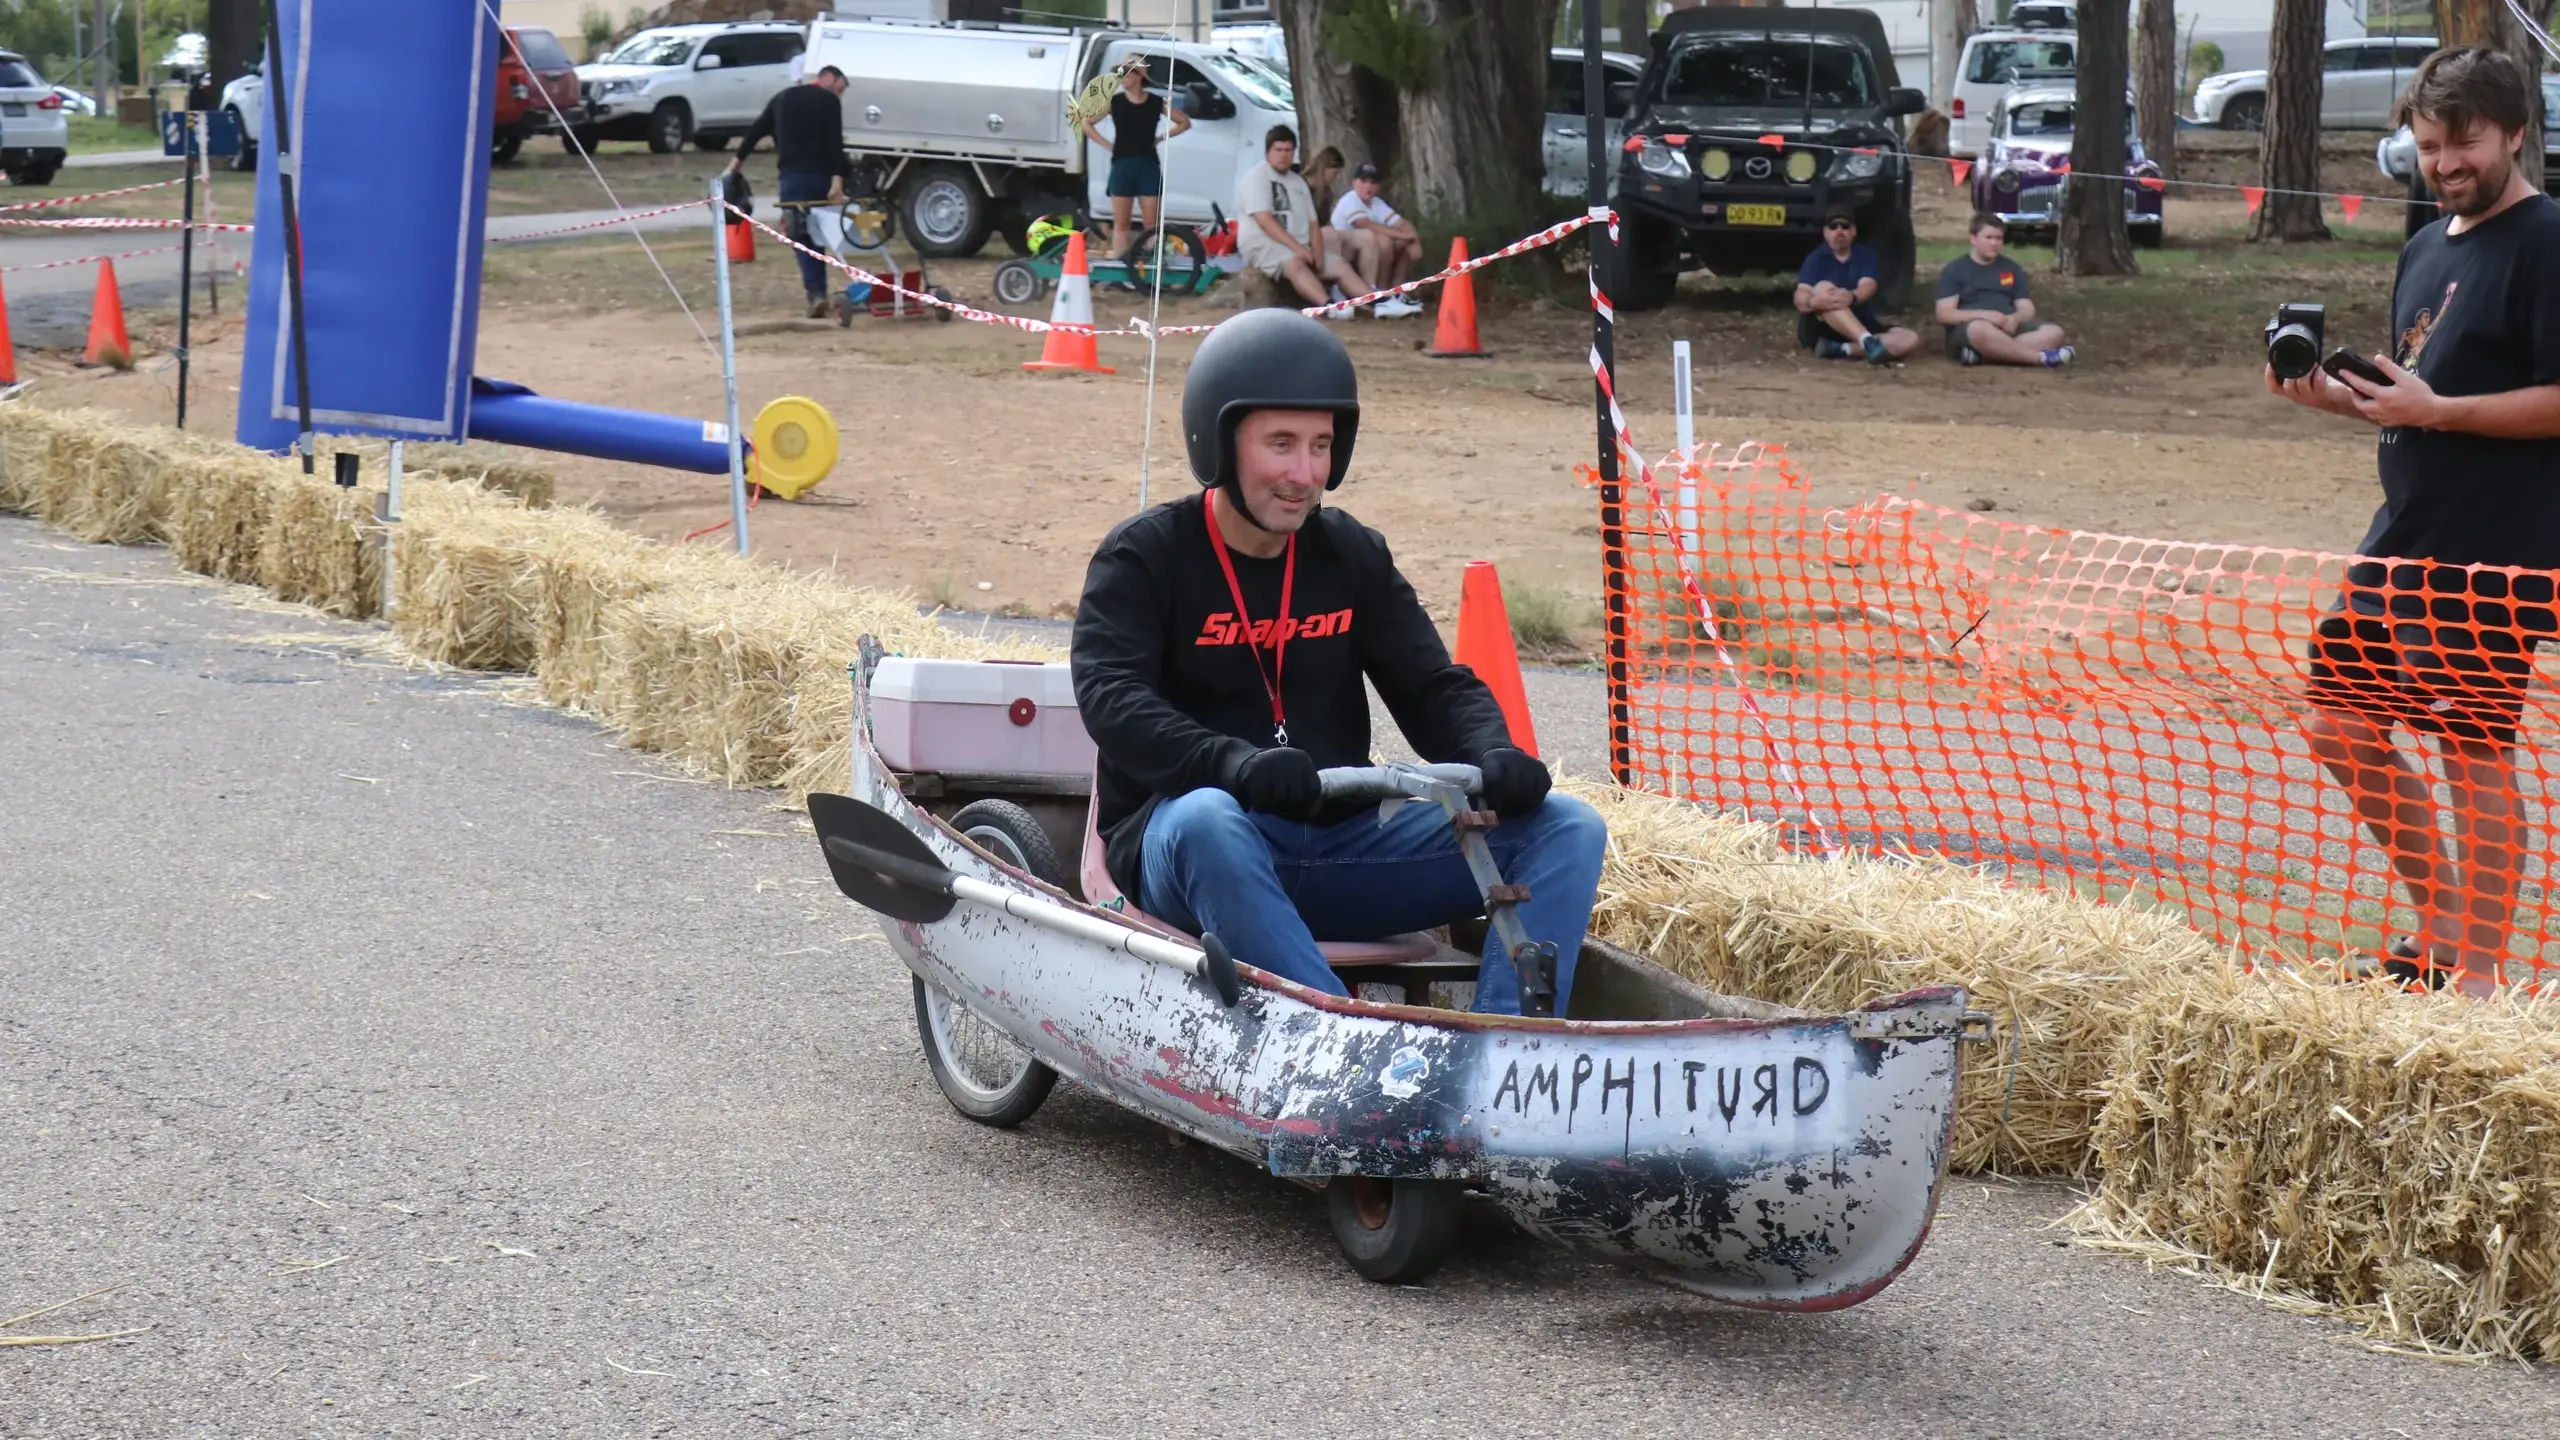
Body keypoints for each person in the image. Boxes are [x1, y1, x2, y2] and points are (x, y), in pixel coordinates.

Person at [1071, 309, 1609, 1014]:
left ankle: (1502, 1056)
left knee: (1571, 826)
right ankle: (1347, 1048)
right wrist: (1233, 763)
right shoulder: (1144, 556)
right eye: (1282, 444)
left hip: (1338, 844)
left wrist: (1493, 751)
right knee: (1209, 818)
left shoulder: (1350, 554)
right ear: (1221, 442)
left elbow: (1430, 685)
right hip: (1193, 847)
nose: (1304, 473)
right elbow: (1112, 700)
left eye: (1321, 446)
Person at [2269, 45, 2560, 998]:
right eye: (2431, 145)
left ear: (2516, 132)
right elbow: (2416, 393)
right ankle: (2438, 930)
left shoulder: (2549, 239)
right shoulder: (2426, 244)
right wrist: (2335, 400)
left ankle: (2475, 976)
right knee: (2338, 723)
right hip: (2403, 534)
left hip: (2495, 548)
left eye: (2466, 141)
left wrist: (2439, 414)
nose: (2447, 163)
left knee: (2472, 748)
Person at [731, 65, 854, 319]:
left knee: (801, 236)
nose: (841, 93)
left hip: (792, 179)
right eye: (841, 86)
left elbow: (755, 131)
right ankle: (824, 291)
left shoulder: (782, 98)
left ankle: (816, 292)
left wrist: (734, 166)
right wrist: (837, 181)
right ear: (828, 78)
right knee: (820, 234)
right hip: (821, 178)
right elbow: (835, 142)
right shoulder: (829, 102)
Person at [1234, 126, 1366, 319]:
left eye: (1288, 151)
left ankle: (1377, 302)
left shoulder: (1298, 182)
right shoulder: (1255, 178)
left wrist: (1318, 253)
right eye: (1278, 150)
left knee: (1340, 265)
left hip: (1298, 243)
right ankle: (1328, 307)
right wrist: (1299, 249)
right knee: (1294, 262)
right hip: (1262, 243)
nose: (1283, 155)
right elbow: (1265, 221)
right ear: (1267, 152)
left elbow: (1314, 223)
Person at [1077, 55, 1190, 272]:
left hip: (1147, 164)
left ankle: (1153, 265)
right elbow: (1087, 123)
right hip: (1122, 164)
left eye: (1126, 72)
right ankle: (1122, 266)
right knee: (1121, 222)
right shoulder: (1115, 102)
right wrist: (1107, 145)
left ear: (1139, 76)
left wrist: (1162, 136)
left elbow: (1184, 122)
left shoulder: (1157, 103)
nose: (1122, 78)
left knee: (1151, 222)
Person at [1933, 214, 2075, 368]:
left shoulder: (2011, 268)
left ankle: (1985, 354)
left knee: (2054, 332)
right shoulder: (1955, 270)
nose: (1995, 243)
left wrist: (2015, 319)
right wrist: (1984, 316)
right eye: (1989, 238)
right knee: (1979, 329)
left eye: (1999, 238)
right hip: (1972, 329)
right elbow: (1944, 314)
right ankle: (2039, 358)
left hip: (2007, 325)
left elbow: (2027, 308)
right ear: (1973, 239)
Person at [1792, 209, 1918, 363]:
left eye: (1845, 226)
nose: (1839, 231)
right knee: (1825, 288)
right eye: (1833, 226)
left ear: (1853, 231)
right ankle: (1867, 342)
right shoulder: (1815, 259)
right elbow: (1801, 294)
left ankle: (1843, 349)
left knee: (1910, 338)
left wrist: (1852, 297)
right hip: (1823, 327)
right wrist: (1813, 303)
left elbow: (1868, 285)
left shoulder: (1866, 255)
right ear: (1825, 232)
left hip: (1862, 321)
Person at [1328, 162, 1424, 319]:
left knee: (1400, 244)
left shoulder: (1377, 203)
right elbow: (1365, 224)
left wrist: (1414, 241)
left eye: (1373, 182)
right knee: (1383, 242)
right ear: (1354, 183)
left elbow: (1402, 223)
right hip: (1345, 256)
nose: (1368, 186)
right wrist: (1405, 236)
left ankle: (1395, 293)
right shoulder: (1349, 201)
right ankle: (1377, 294)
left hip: (1368, 254)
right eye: (1364, 181)